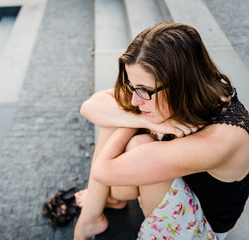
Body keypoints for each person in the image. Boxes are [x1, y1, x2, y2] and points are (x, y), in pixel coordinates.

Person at [73, 22, 249, 240]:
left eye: (144, 90)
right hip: (179, 178)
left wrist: (136, 119)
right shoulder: (185, 92)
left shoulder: (221, 139)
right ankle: (97, 212)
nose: (136, 98)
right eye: (131, 86)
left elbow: (103, 170)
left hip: (202, 226)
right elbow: (90, 106)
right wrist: (147, 120)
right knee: (120, 114)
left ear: (179, 83)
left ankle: (91, 217)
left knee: (135, 138)